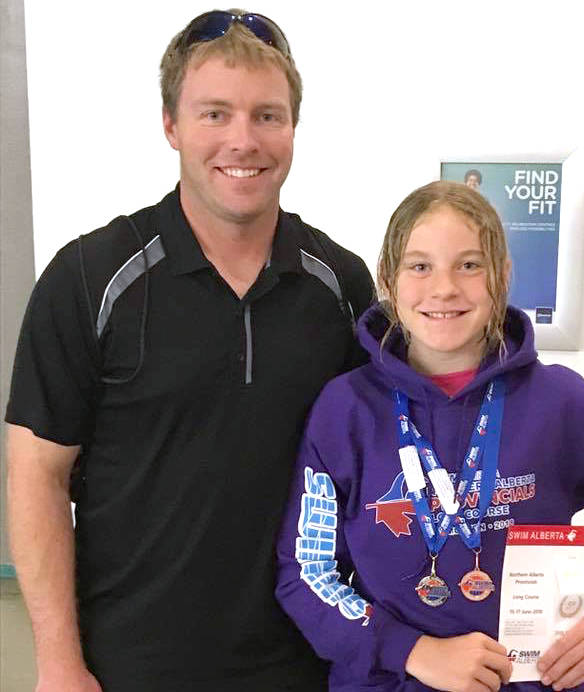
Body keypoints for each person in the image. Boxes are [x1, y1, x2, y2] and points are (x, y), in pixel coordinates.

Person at [5, 10, 374, 692]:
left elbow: (378, 471)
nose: (243, 140)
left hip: (308, 665)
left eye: (268, 115)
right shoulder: (89, 278)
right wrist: (60, 663)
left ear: (294, 127)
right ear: (171, 125)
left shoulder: (342, 286)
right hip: (132, 666)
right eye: (214, 114)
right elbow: (37, 475)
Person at [276, 181, 584, 691]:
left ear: (503, 276)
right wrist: (412, 651)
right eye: (420, 266)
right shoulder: (346, 409)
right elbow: (307, 572)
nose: (444, 288)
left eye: (469, 265)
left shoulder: (561, 403)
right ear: (389, 278)